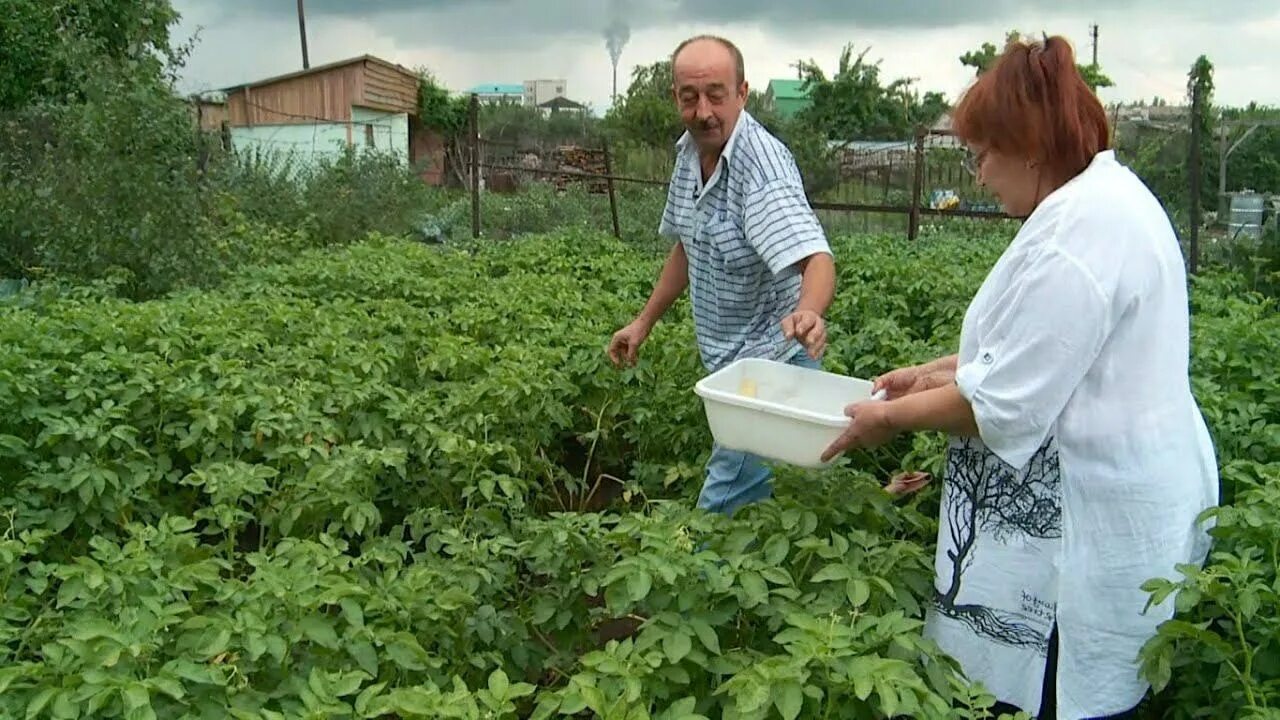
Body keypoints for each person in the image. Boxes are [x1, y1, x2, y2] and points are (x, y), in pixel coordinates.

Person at [818, 36, 1218, 720]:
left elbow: (1001, 404)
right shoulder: (1098, 199)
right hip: (1117, 489)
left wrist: (883, 418)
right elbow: (1038, 356)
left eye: (981, 156)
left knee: (1056, 696)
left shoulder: (1078, 236)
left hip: (1084, 529)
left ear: (1028, 145)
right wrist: (929, 373)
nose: (978, 175)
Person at [607, 34, 835, 516]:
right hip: (732, 368)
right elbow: (688, 247)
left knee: (721, 503)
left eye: (716, 94)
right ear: (676, 99)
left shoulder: (761, 171)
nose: (704, 111)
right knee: (778, 503)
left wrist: (809, 312)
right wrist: (643, 322)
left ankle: (694, 575)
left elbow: (815, 258)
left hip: (771, 367)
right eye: (690, 97)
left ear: (742, 93)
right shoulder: (690, 155)